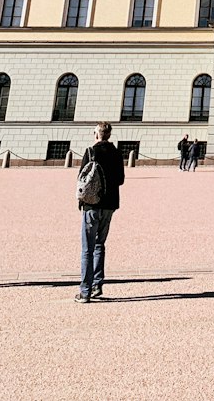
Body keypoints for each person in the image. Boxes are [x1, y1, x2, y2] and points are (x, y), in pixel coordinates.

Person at [76, 121, 126, 303]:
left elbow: (81, 179)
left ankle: (85, 291)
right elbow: (120, 180)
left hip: (91, 204)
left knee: (87, 248)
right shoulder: (117, 153)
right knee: (99, 245)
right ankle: (97, 285)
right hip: (110, 205)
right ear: (109, 135)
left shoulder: (91, 152)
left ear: (97, 134)